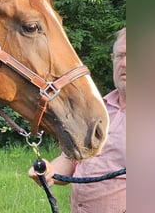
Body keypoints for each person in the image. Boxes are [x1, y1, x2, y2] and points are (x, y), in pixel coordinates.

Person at [28, 27, 126, 212]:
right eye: (120, 56)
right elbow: (72, 160)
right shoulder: (97, 111)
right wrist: (49, 172)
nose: (125, 63)